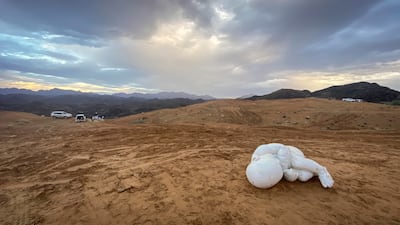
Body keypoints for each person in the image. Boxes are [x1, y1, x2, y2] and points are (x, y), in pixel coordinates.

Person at [246, 143, 334, 189]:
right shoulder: (257, 170)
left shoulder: (262, 151)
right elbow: (288, 176)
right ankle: (313, 173)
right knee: (304, 177)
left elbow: (282, 148)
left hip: (291, 152)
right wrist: (291, 175)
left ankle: (321, 170)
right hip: (288, 165)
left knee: (297, 163)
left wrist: (283, 166)